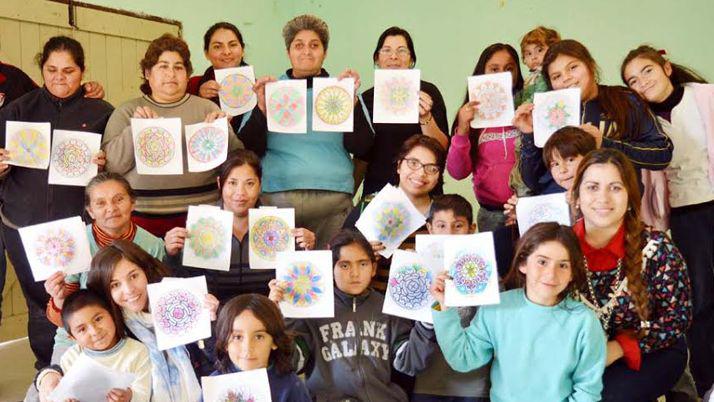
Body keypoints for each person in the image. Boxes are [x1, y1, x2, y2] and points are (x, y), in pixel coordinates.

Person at [0, 36, 113, 370]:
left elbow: (118, 173)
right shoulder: (17, 111)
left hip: (78, 228)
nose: (59, 77)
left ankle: (89, 369)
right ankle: (46, 372)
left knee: (81, 299)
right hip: (21, 227)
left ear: (83, 71)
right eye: (51, 69)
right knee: (39, 304)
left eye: (69, 70)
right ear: (42, 69)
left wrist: (106, 164)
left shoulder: (102, 112)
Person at [621, 45, 714, 397]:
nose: (642, 82)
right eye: (633, 80)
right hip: (685, 216)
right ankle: (708, 385)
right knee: (700, 302)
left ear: (666, 67)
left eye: (647, 71)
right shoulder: (640, 121)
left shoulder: (705, 96)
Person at [431, 222, 607, 402]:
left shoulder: (584, 322)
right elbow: (463, 358)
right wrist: (444, 307)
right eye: (542, 262)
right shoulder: (498, 308)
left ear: (572, 273)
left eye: (563, 265)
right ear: (523, 263)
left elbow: (587, 390)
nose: (551, 274)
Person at [570, 148, 692, 401]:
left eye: (615, 187)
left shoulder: (657, 248)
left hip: (651, 350)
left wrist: (618, 348)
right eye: (592, 187)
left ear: (630, 197)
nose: (603, 198)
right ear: (577, 196)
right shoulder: (560, 248)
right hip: (581, 354)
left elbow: (678, 318)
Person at [238, 14, 369, 249]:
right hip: (277, 196)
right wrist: (261, 109)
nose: (306, 52)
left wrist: (353, 104)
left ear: (325, 52)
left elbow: (363, 146)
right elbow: (248, 149)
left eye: (314, 45)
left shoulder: (341, 90)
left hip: (333, 198)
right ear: (288, 52)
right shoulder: (270, 91)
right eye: (298, 45)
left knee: (329, 270)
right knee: (279, 270)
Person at [102, 33, 243, 238]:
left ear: (187, 74)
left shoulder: (206, 108)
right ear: (148, 73)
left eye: (178, 67)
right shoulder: (127, 111)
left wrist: (223, 133)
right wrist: (135, 129)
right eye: (163, 66)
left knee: (198, 271)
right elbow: (112, 167)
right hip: (142, 221)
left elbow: (237, 162)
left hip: (202, 221)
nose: (171, 73)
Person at [268, 229, 431, 401]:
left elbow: (411, 363)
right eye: (344, 265)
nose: (355, 273)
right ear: (331, 268)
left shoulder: (388, 308)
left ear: (373, 268)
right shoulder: (313, 311)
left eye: (363, 264)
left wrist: (425, 316)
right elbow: (294, 363)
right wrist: (279, 316)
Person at [514, 39, 673, 194]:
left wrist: (605, 144)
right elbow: (532, 180)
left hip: (613, 207)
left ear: (590, 64)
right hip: (562, 212)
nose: (566, 78)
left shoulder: (624, 99)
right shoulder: (548, 112)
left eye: (573, 67)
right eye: (556, 76)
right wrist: (529, 135)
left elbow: (662, 153)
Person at [43, 172, 167, 367]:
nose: (111, 208)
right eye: (100, 203)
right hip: (83, 336)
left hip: (136, 335)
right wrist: (58, 297)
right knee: (48, 390)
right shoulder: (72, 244)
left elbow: (156, 302)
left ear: (132, 203)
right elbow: (66, 318)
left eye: (119, 199)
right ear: (90, 211)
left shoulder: (152, 245)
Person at [164, 150, 316, 303]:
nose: (240, 193)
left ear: (260, 185)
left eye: (249, 184)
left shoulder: (279, 224)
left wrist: (306, 251)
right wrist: (172, 255)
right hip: (216, 313)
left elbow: (297, 283)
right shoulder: (201, 225)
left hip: (266, 309)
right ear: (219, 184)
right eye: (232, 183)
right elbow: (185, 284)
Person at [87, 240, 219, 402]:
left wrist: (210, 323)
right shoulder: (109, 324)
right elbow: (81, 351)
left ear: (146, 271)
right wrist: (50, 373)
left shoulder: (179, 300)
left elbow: (219, 360)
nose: (129, 290)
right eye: (115, 285)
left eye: (133, 276)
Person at [396, 194, 490, 401]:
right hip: (426, 381)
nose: (449, 234)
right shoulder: (414, 268)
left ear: (471, 229)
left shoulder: (486, 272)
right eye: (441, 226)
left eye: (458, 226)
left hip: (473, 383)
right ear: (429, 228)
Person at [354, 26, 449, 196]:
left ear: (411, 59)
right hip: (378, 192)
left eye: (402, 51)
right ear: (377, 59)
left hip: (423, 190)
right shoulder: (366, 98)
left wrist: (426, 117)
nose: (394, 57)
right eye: (386, 50)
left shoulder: (428, 92)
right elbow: (362, 157)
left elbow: (442, 148)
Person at [343, 134, 446, 291]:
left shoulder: (444, 214)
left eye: (431, 168)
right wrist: (362, 255)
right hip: (374, 305)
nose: (421, 173)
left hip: (428, 307)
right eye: (413, 163)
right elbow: (339, 255)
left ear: (438, 176)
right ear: (399, 166)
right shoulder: (369, 205)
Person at [447, 43, 525, 231]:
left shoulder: (526, 109)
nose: (502, 74)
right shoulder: (471, 117)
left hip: (527, 210)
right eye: (494, 69)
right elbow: (457, 173)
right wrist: (463, 128)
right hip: (491, 214)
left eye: (509, 69)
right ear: (483, 72)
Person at [35, 290, 151, 402]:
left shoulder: (138, 352)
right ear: (73, 338)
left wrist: (129, 396)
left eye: (98, 319)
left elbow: (144, 394)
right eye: (82, 329)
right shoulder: (71, 357)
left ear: (112, 314)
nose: (95, 331)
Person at [211, 293, 311, 402]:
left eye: (259, 337)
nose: (248, 348)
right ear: (225, 343)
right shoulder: (214, 385)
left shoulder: (290, 385)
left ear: (274, 341)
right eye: (237, 337)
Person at [187, 22, 252, 132]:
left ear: (242, 50)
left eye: (233, 45)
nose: (227, 52)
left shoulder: (257, 87)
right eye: (217, 46)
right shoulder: (192, 84)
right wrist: (198, 99)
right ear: (206, 53)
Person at [515, 26, 561, 106]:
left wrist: (526, 104)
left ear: (553, 50)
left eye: (539, 50)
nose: (534, 57)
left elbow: (541, 93)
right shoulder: (532, 76)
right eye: (529, 53)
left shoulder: (545, 74)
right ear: (524, 59)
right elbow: (524, 93)